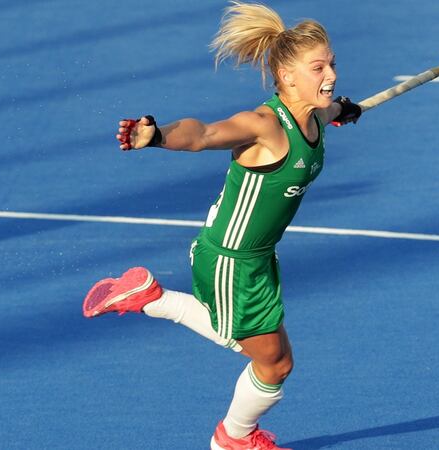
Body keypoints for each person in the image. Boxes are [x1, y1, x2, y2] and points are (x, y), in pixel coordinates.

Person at [81, 2, 361, 449]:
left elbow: (330, 113)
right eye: (318, 67)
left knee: (277, 362)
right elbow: (206, 134)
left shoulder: (314, 116)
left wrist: (346, 109)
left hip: (257, 259)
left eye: (332, 63)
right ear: (287, 77)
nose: (331, 74)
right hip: (230, 261)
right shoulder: (264, 125)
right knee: (271, 362)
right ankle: (230, 436)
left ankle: (233, 432)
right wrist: (159, 135)